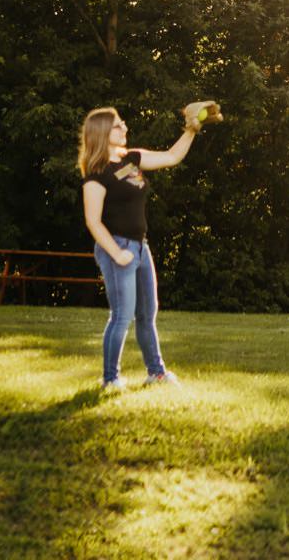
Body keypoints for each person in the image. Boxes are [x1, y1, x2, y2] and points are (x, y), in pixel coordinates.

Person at [78, 103, 209, 391]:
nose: (124, 127)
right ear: (101, 132)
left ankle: (156, 372)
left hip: (140, 247)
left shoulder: (131, 159)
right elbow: (93, 220)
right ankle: (110, 379)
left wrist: (191, 130)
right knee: (121, 316)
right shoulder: (96, 174)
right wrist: (117, 253)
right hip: (117, 249)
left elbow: (172, 157)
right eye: (118, 125)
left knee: (147, 314)